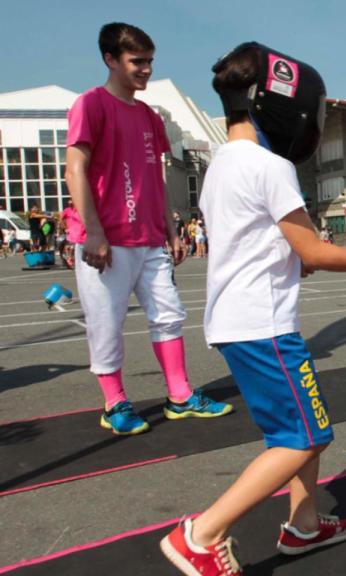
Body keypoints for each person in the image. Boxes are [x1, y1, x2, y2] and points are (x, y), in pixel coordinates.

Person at [159, 42, 346, 575]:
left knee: (299, 428)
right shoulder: (271, 166)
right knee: (307, 436)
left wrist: (293, 260)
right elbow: (314, 250)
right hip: (264, 326)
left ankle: (304, 525)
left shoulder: (221, 166)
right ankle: (201, 537)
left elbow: (262, 244)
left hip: (236, 321)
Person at [65, 22, 233, 436]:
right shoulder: (90, 104)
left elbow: (153, 179)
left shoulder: (149, 116)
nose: (146, 70)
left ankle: (180, 396)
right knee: (106, 323)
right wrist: (94, 230)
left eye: (149, 61)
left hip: (149, 238)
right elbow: (75, 168)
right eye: (137, 61)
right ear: (110, 59)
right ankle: (115, 403)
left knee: (169, 317)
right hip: (105, 239)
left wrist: (171, 230)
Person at [60, 200, 82, 269]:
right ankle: (69, 258)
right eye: (69, 203)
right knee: (69, 246)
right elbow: (61, 219)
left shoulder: (79, 210)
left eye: (72, 203)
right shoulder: (67, 210)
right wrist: (65, 227)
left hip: (79, 231)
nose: (70, 205)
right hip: (70, 231)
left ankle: (74, 259)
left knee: (76, 247)